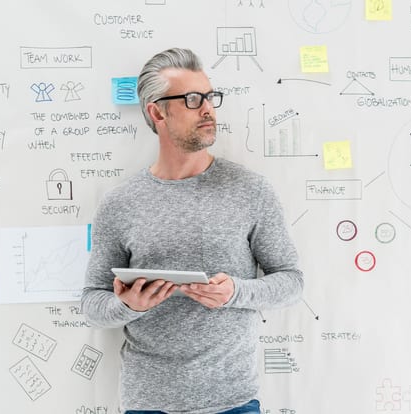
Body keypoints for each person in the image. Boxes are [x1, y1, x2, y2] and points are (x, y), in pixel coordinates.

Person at [82, 47, 304, 414]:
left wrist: (235, 291)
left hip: (233, 402)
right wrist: (127, 305)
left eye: (210, 96)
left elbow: (292, 282)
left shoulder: (251, 190)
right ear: (157, 112)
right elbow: (92, 305)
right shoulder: (120, 204)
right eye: (191, 98)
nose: (208, 109)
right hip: (148, 404)